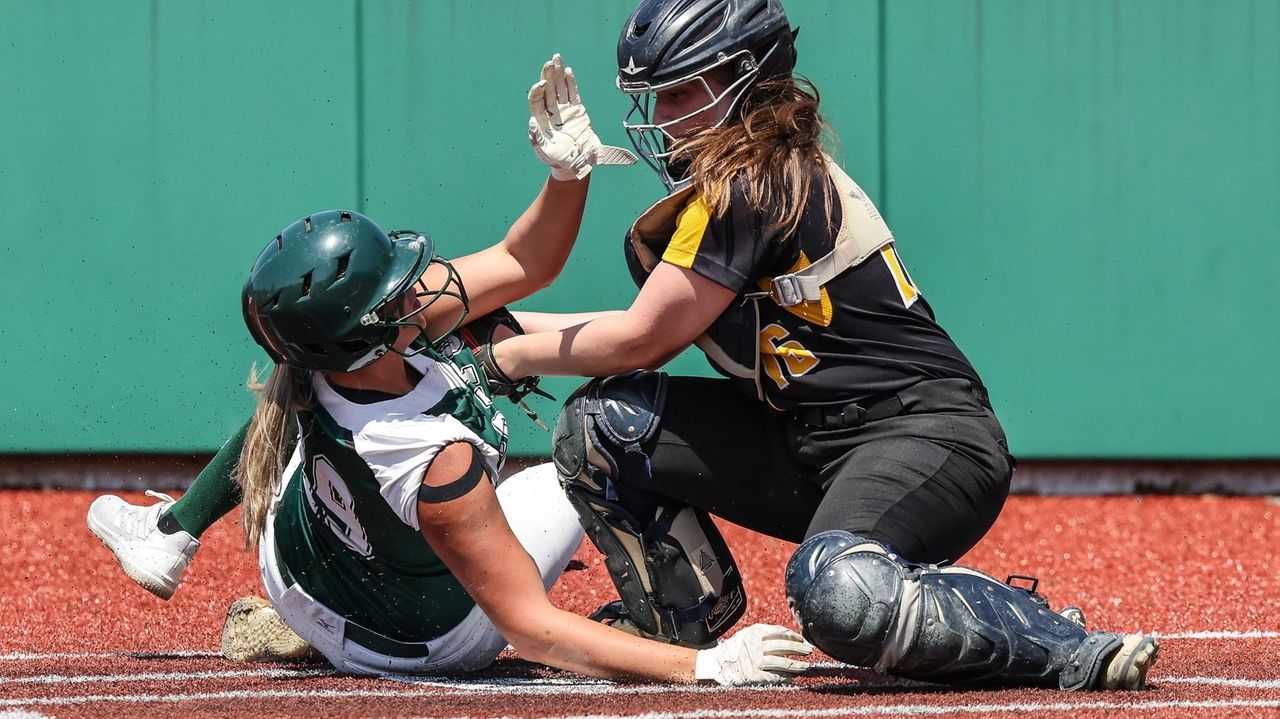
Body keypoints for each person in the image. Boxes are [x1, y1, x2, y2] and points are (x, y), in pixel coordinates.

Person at [476, 0, 1159, 691]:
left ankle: (1050, 637)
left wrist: (502, 355)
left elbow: (643, 338)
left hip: (928, 435)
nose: (663, 116)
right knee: (601, 425)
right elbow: (642, 323)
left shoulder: (753, 181)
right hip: (809, 440)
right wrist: (500, 330)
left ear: (749, 78)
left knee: (837, 589)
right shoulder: (741, 180)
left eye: (683, 91)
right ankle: (676, 624)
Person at [87, 57, 811, 685]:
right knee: (587, 458)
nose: (416, 284)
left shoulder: (325, 358)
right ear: (369, 336)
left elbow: (526, 261)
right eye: (394, 292)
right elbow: (533, 629)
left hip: (299, 574)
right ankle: (678, 625)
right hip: (422, 643)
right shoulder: (437, 466)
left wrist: (568, 174)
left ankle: (175, 530)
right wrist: (706, 666)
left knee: (292, 404)